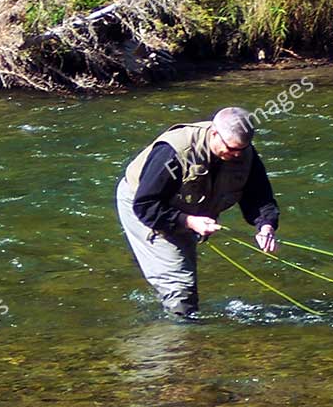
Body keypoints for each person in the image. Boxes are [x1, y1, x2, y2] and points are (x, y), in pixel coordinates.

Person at [116, 107, 279, 317]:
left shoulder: (243, 153)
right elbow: (146, 204)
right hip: (144, 205)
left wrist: (266, 225)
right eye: (232, 149)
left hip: (188, 210)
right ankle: (179, 343)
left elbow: (260, 196)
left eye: (242, 149)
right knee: (181, 288)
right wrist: (189, 222)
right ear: (214, 134)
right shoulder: (174, 152)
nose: (236, 155)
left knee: (184, 277)